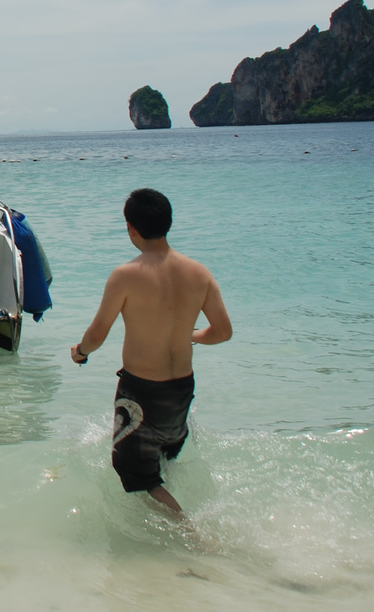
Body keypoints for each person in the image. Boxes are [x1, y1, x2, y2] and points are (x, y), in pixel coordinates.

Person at [70, 188, 232, 514]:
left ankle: (192, 538)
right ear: (167, 223)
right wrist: (190, 336)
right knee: (162, 460)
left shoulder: (126, 275)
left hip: (142, 395)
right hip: (181, 390)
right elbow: (223, 332)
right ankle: (177, 526)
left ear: (131, 228)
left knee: (135, 474)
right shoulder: (199, 272)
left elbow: (98, 334)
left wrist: (80, 352)